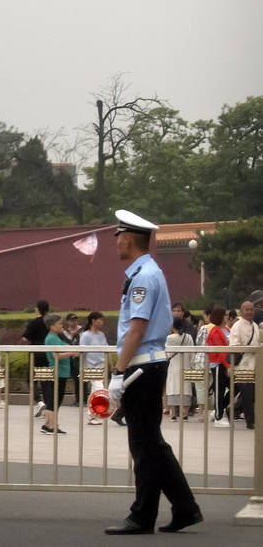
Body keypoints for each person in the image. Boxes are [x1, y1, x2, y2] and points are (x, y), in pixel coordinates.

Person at [103, 210, 201, 535]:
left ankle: (143, 515)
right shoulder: (146, 272)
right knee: (150, 443)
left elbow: (137, 328)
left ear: (128, 239)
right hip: (148, 365)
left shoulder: (143, 275)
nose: (115, 241)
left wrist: (118, 373)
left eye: (118, 235)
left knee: (145, 445)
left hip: (141, 367)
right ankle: (184, 508)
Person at [41, 314, 78, 434]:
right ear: (52, 326)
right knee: (55, 400)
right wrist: (70, 352)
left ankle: (49, 424)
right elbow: (55, 355)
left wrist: (70, 350)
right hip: (57, 372)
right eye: (59, 324)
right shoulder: (51, 338)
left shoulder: (56, 337)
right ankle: (51, 426)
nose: (62, 326)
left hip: (61, 372)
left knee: (55, 399)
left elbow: (64, 347)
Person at [229, 300, 258, 430]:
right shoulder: (237, 326)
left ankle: (231, 411)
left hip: (255, 365)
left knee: (252, 394)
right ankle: (250, 422)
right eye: (246, 309)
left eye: (251, 309)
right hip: (242, 366)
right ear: (241, 311)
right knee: (247, 394)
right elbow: (234, 346)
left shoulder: (256, 326)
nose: (250, 312)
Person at [21, 300, 51, 417]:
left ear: (38, 309)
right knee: (46, 380)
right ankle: (49, 406)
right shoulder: (50, 322)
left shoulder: (34, 322)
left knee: (31, 379)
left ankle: (39, 401)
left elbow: (25, 338)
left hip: (35, 353)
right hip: (47, 353)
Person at [79, 311, 108, 425]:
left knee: (94, 391)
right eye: (99, 319)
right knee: (98, 389)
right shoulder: (86, 335)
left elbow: (106, 350)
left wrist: (110, 364)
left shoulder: (101, 335)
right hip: (91, 367)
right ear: (93, 321)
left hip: (101, 365)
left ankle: (92, 415)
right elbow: (82, 352)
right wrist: (82, 368)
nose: (102, 322)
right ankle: (94, 414)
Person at [206, 306, 232, 426]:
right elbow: (220, 352)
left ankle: (219, 408)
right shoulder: (215, 331)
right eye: (225, 314)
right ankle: (218, 416)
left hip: (226, 364)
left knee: (235, 387)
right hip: (218, 364)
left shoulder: (227, 329)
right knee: (219, 390)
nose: (227, 317)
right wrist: (227, 366)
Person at [165, 319, 194, 421]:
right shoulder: (188, 337)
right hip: (185, 365)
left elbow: (167, 354)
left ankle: (173, 414)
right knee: (186, 388)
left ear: (173, 327)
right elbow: (192, 353)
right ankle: (185, 414)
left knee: (173, 388)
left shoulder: (169, 338)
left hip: (174, 366)